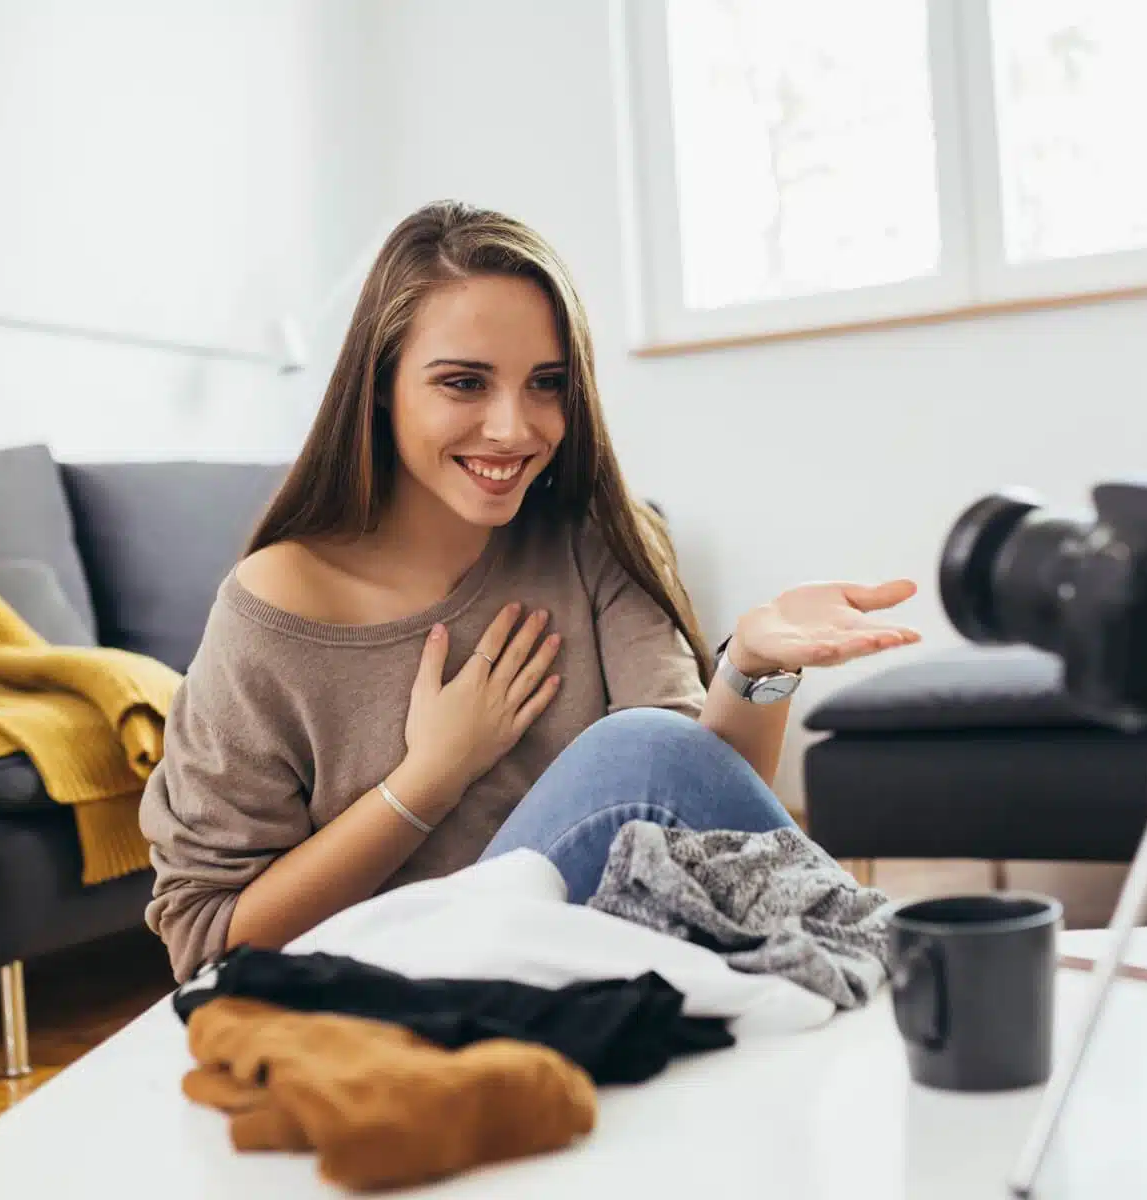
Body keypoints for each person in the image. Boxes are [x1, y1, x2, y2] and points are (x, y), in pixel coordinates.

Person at [141, 200, 920, 982]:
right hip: (395, 989)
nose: (514, 429)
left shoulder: (601, 542)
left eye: (546, 384)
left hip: (603, 968)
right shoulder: (278, 606)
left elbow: (692, 815)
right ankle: (917, 963)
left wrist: (751, 669)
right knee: (638, 747)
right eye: (464, 383)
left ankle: (900, 970)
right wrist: (428, 780)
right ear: (380, 385)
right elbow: (208, 942)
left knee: (651, 750)